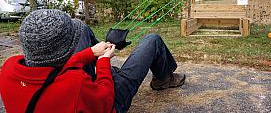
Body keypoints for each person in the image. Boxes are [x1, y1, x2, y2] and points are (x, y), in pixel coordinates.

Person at [0, 9, 185, 113]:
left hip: (65, 94)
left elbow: (55, 73)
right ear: (64, 51)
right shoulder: (75, 84)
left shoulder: (8, 69)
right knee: (152, 40)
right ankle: (163, 79)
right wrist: (103, 63)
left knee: (83, 29)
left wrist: (90, 52)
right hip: (109, 102)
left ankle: (104, 52)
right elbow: (105, 99)